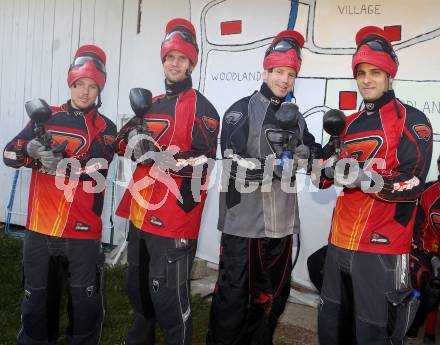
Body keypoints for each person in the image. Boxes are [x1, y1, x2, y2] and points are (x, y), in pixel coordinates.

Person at [316, 26, 433, 344]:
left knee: (374, 333)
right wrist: (317, 162)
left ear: (390, 75)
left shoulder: (413, 120)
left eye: (376, 72)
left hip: (382, 249)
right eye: (361, 72)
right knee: (332, 326)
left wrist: (364, 178)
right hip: (339, 243)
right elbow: (321, 178)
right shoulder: (347, 124)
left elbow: (413, 183)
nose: (367, 79)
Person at [207, 29, 320, 345]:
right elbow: (232, 164)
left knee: (271, 298)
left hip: (280, 226)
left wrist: (309, 154)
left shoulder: (296, 118)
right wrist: (276, 166)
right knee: (233, 298)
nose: (284, 79)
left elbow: (312, 152)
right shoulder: (240, 110)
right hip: (243, 225)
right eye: (279, 72)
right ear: (265, 72)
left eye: (291, 74)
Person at [114, 18, 219, 345]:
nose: (175, 63)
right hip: (140, 213)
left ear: (192, 63)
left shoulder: (204, 109)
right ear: (163, 60)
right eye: (170, 57)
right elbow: (118, 141)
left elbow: (206, 161)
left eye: (182, 58)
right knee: (139, 290)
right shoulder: (152, 104)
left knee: (170, 299)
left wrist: (163, 158)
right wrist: (135, 141)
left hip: (174, 219)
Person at [3, 45, 116, 344]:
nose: (85, 92)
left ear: (99, 89)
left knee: (85, 310)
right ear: (71, 83)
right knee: (36, 305)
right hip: (41, 230)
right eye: (80, 84)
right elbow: (9, 155)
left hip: (83, 233)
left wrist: (61, 162)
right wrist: (30, 152)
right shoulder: (45, 118)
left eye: (92, 86)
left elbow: (97, 170)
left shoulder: (107, 129)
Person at [407, 154, 440, 345]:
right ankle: (417, 324)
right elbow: (418, 230)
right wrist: (434, 256)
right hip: (426, 249)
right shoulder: (427, 192)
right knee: (427, 281)